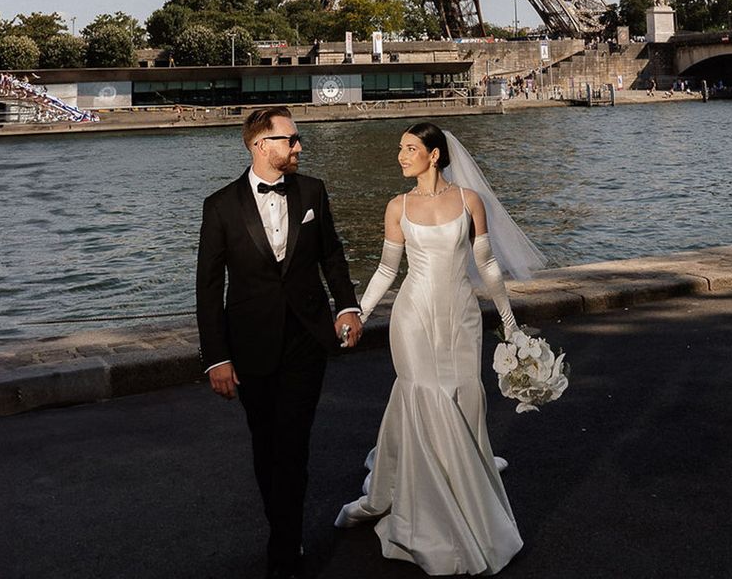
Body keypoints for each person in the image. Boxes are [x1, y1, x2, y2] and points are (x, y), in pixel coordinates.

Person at [336, 122, 543, 575]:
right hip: (413, 316)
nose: (400, 156)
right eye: (400, 148)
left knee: (463, 392)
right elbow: (387, 272)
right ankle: (431, 506)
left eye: (409, 149)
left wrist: (509, 324)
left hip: (462, 315)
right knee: (425, 393)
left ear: (434, 155)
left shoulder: (471, 202)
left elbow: (486, 264)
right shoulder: (397, 207)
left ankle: (466, 466)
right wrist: (360, 314)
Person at [196, 106, 362, 579]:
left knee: (292, 444)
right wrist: (217, 358)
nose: (298, 147)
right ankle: (285, 530)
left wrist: (347, 306)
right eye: (290, 139)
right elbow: (208, 288)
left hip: (306, 340)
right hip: (249, 346)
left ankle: (284, 551)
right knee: (266, 445)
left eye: (296, 139)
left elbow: (332, 254)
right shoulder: (220, 206)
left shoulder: (313, 191)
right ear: (260, 145)